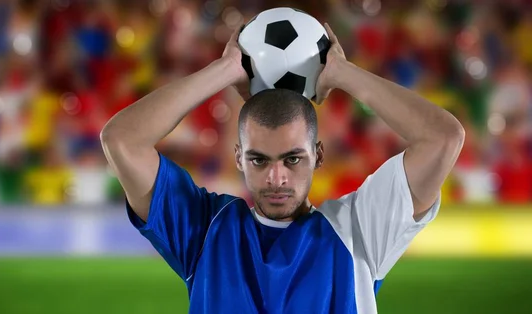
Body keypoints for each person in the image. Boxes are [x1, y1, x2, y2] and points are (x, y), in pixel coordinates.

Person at [100, 23, 464, 314]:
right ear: (239, 157)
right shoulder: (204, 229)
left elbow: (444, 138)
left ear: (318, 155)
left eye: (293, 159)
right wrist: (224, 71)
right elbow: (121, 140)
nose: (277, 178)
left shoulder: (360, 229)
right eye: (260, 159)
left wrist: (343, 73)